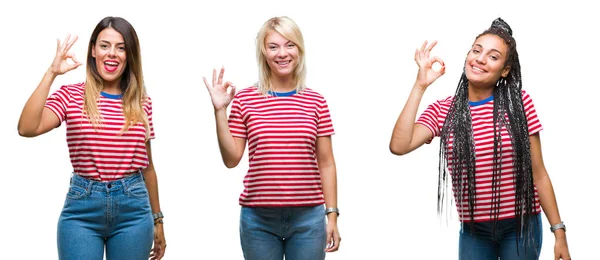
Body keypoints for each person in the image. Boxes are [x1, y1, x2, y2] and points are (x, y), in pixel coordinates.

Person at [389, 18, 571, 260]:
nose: (481, 59)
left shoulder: (519, 104)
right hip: (473, 231)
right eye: (476, 51)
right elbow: (399, 146)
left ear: (505, 70)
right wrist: (420, 85)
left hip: (520, 226)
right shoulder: (444, 110)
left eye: (493, 57)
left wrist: (559, 233)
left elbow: (538, 173)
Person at [17, 16, 166, 260]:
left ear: (130, 55)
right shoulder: (71, 96)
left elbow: (147, 166)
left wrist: (158, 220)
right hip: (82, 211)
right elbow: (27, 128)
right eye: (105, 45)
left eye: (121, 47)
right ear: (93, 50)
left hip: (134, 211)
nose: (112, 54)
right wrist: (52, 72)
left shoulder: (142, 102)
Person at [203, 16, 341, 260]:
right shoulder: (246, 99)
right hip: (258, 220)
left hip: (309, 219)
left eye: (290, 45)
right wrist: (219, 111)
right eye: (273, 46)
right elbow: (231, 158)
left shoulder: (316, 101)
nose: (282, 53)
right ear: (263, 53)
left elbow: (327, 163)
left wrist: (332, 215)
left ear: (299, 50)